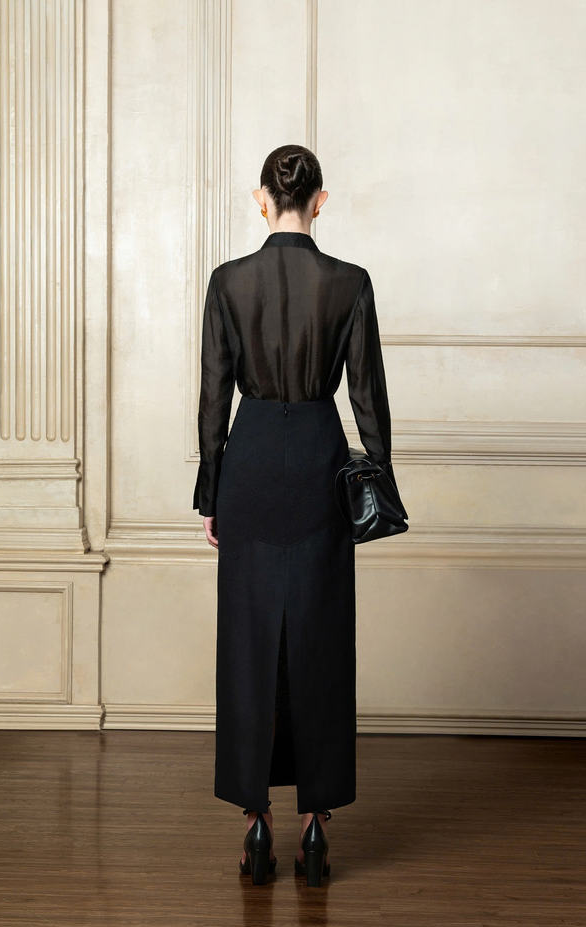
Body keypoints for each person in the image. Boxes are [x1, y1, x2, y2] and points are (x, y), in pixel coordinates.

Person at [192, 144, 399, 886]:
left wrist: (211, 491)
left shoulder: (228, 281)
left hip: (249, 466)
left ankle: (256, 823)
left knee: (248, 645)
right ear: (320, 200)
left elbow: (214, 396)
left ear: (260, 199)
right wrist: (377, 485)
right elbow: (367, 394)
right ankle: (315, 826)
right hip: (318, 461)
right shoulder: (349, 282)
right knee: (320, 641)